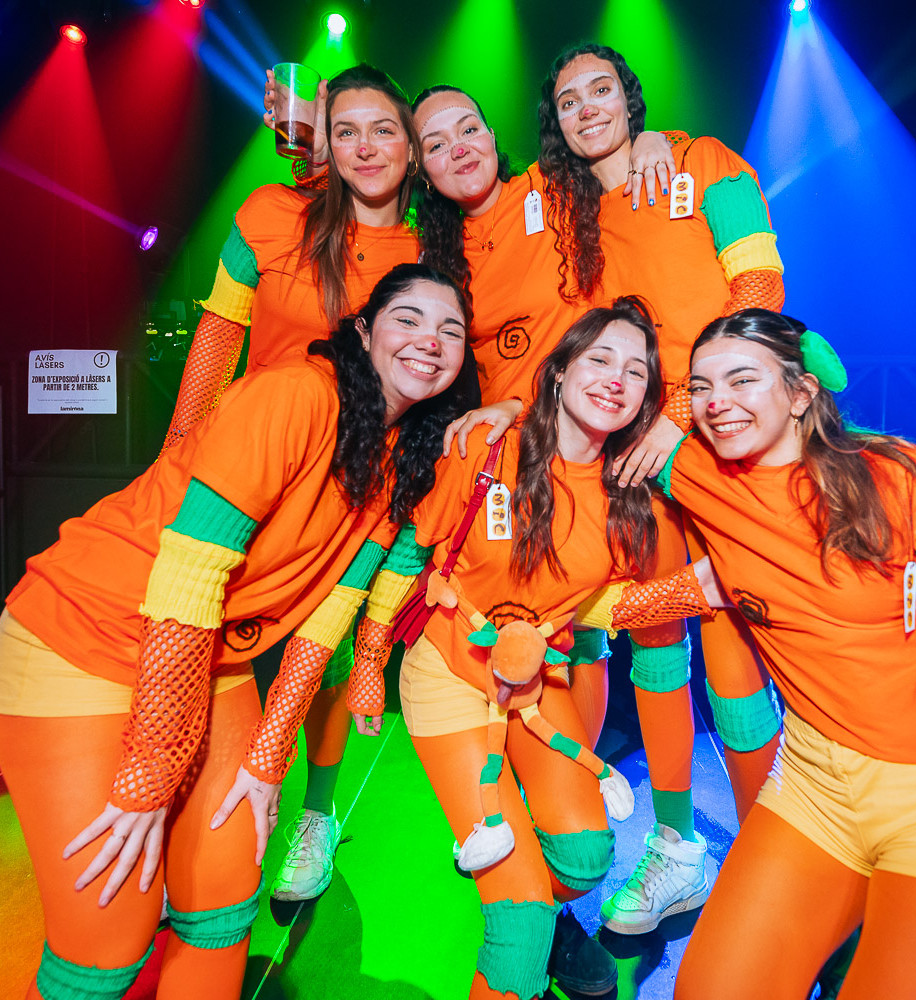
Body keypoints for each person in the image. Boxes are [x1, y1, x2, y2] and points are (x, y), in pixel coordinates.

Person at [0, 265, 477, 1000]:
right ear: (362, 332)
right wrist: (151, 773)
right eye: (408, 318)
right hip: (82, 633)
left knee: (225, 896)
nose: (430, 341)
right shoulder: (295, 394)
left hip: (209, 650)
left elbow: (328, 616)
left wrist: (267, 754)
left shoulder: (401, 459)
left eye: (451, 330)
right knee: (109, 941)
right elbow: (190, 580)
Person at [344, 298, 721, 1000]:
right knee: (516, 925)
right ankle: (518, 918)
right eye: (600, 359)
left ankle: (537, 911)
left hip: (533, 685)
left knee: (584, 861)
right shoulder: (487, 447)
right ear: (558, 372)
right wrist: (368, 661)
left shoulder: (630, 501)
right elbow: (409, 551)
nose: (616, 379)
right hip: (449, 675)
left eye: (636, 371)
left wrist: (702, 589)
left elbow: (599, 608)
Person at [653, 309, 916, 1000]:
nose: (717, 402)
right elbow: (597, 402)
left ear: (802, 392)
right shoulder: (696, 474)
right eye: (701, 387)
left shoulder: (901, 478)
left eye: (742, 379)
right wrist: (503, 409)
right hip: (815, 788)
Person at [533, 42, 788, 935]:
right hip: (638, 456)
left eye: (601, 89)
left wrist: (687, 408)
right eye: (568, 101)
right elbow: (459, 170)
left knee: (735, 648)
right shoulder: (571, 213)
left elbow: (760, 287)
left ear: (631, 98)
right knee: (654, 636)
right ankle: (678, 848)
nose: (587, 109)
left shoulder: (704, 162)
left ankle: (767, 860)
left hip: (726, 442)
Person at [176, 63, 423, 906]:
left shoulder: (434, 252)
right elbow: (216, 338)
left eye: (384, 130)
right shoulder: (271, 215)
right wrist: (181, 451)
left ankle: (315, 816)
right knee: (203, 632)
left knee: (323, 656)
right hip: (249, 472)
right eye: (346, 130)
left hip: (355, 488)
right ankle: (187, 808)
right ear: (326, 141)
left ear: (411, 146)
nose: (366, 147)